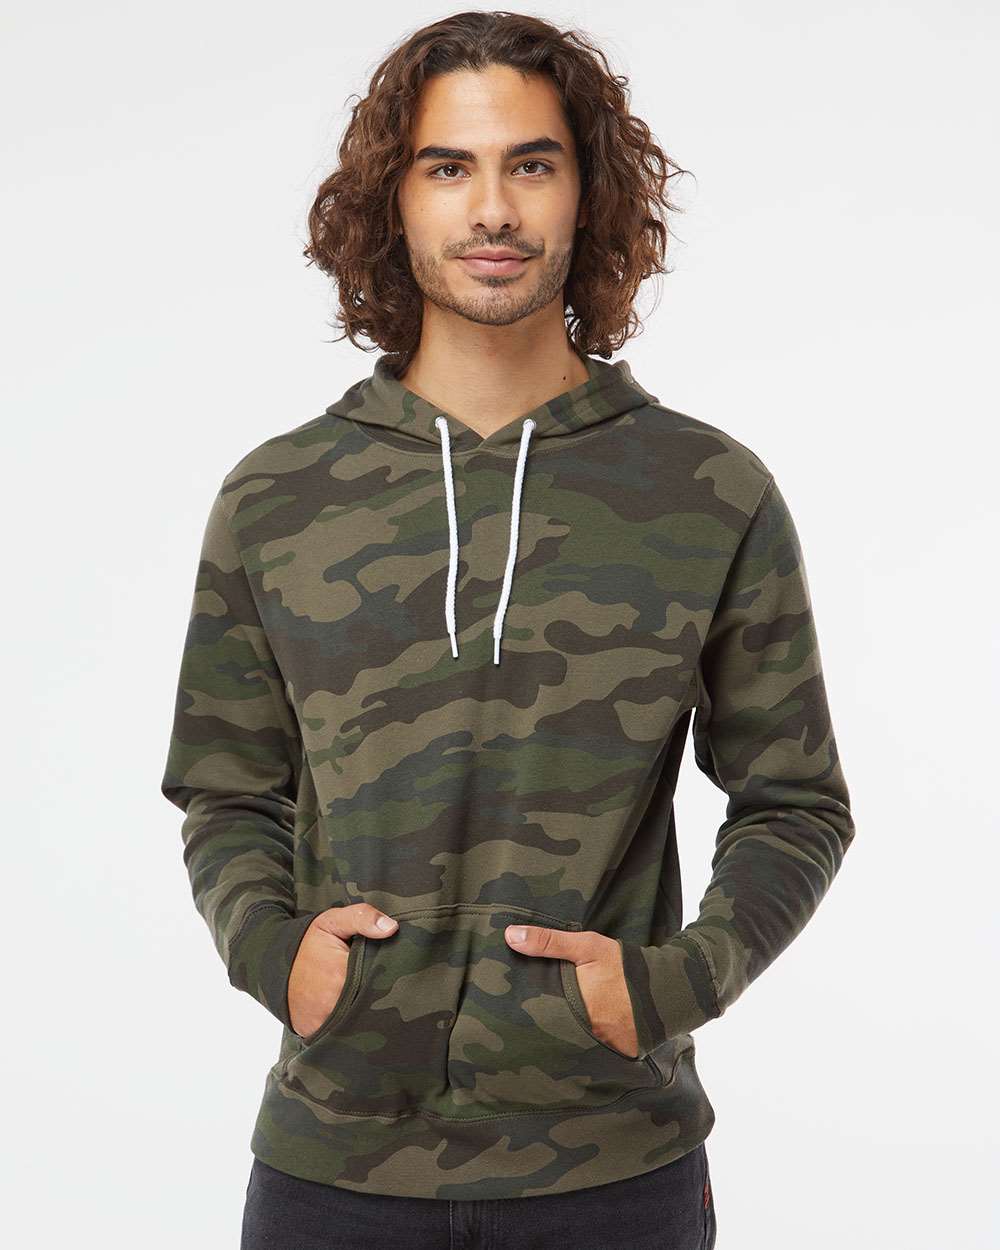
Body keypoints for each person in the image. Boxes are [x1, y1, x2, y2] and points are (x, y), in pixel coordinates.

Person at [160, 11, 854, 1248]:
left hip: (615, 1167)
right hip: (334, 1163)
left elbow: (794, 799)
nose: (492, 209)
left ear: (588, 193)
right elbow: (225, 786)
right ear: (394, 199)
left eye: (531, 164)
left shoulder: (708, 490)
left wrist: (671, 984)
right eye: (449, 167)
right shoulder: (277, 495)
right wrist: (274, 953)